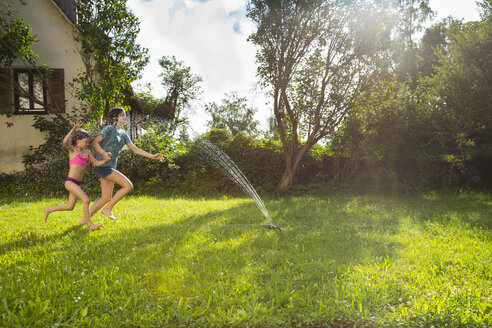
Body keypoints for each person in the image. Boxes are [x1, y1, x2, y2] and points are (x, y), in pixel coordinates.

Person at [90, 107, 163, 220]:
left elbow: (135, 150)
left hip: (110, 167)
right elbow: (95, 143)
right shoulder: (109, 129)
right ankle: (107, 209)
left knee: (106, 197)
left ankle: (85, 219)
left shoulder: (123, 134)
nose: (125, 117)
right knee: (128, 186)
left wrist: (153, 156)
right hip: (103, 165)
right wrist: (103, 153)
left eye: (125, 115)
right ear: (115, 117)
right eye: (122, 115)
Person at [44, 122, 108, 230]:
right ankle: (90, 225)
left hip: (77, 184)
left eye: (88, 142)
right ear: (78, 141)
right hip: (70, 182)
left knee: (70, 207)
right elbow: (65, 141)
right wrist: (73, 129)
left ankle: (48, 209)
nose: (87, 144)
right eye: (86, 141)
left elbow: (96, 163)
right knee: (86, 200)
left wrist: (105, 160)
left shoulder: (87, 152)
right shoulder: (73, 150)